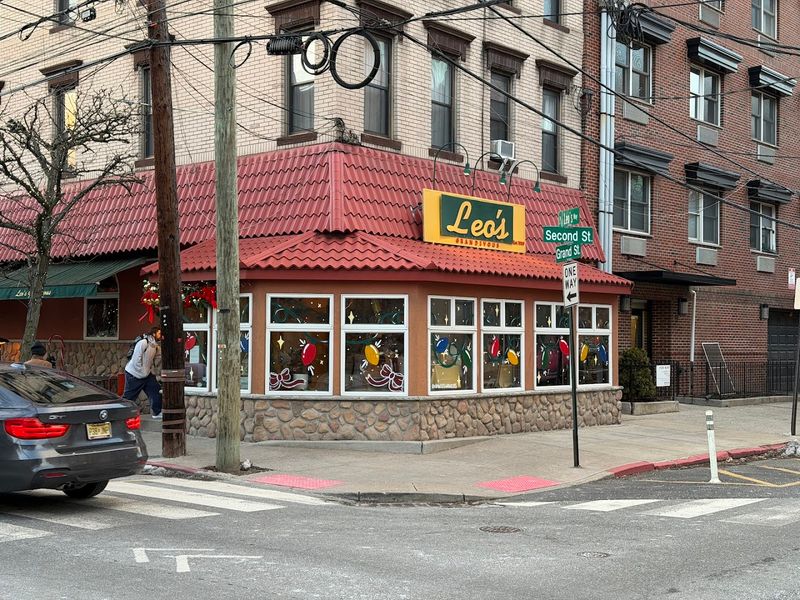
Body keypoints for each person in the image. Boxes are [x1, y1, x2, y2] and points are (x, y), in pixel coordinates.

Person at [123, 327, 162, 419]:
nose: (160, 335)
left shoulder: (155, 346)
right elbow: (136, 359)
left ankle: (157, 412)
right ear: (154, 333)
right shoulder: (143, 342)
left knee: (156, 390)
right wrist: (142, 373)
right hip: (134, 374)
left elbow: (154, 360)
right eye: (159, 333)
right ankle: (121, 414)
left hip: (146, 374)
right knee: (129, 397)